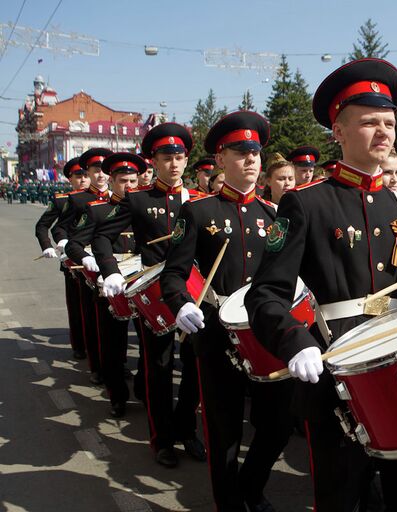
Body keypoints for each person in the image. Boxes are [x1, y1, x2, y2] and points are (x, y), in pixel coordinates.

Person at [244, 57, 397, 512]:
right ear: (339, 132)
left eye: (388, 122)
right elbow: (265, 293)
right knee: (342, 500)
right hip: (338, 378)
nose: (383, 132)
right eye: (368, 122)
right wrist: (294, 342)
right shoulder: (305, 204)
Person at [160, 111, 289, 512]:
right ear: (220, 160)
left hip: (265, 335)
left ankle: (251, 485)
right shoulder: (199, 212)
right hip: (217, 336)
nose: (252, 159)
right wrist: (181, 305)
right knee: (225, 432)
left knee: (277, 426)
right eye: (241, 152)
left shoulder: (273, 216)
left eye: (256, 152)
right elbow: (174, 275)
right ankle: (230, 503)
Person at [92, 123, 205, 468]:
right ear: (153, 160)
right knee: (158, 368)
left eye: (180, 157)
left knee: (195, 370)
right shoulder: (138, 199)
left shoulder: (201, 201)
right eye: (166, 157)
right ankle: (162, 439)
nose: (174, 164)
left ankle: (187, 429)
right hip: (155, 294)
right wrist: (111, 270)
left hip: (196, 295)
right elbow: (100, 237)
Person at [65, 152, 142, 418]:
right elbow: (74, 243)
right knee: (113, 345)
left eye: (134, 180)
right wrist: (88, 259)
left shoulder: (144, 208)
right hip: (111, 285)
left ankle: (143, 387)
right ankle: (117, 396)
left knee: (150, 342)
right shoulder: (97, 210)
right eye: (123, 181)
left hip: (143, 284)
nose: (129, 187)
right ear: (112, 180)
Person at [56, 148, 114, 383]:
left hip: (114, 266)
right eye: (95, 171)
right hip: (86, 265)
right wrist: (64, 243)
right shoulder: (78, 199)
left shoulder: (121, 197)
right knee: (92, 316)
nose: (100, 175)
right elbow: (60, 227)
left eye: (103, 170)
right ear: (88, 173)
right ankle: (98, 365)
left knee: (116, 318)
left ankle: (115, 364)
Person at [35, 157, 90, 360]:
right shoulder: (62, 200)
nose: (83, 179)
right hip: (72, 259)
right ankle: (79, 345)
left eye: (86, 175)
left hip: (96, 257)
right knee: (77, 306)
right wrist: (49, 246)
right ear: (70, 178)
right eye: (78, 176)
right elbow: (43, 226)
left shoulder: (100, 198)